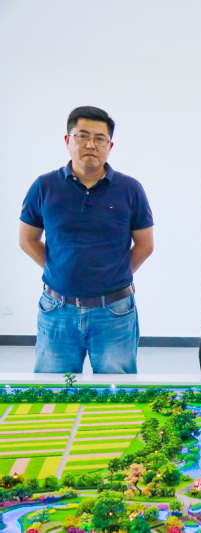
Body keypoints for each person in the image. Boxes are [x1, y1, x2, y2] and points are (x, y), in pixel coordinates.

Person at [19, 106, 154, 374]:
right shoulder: (44, 186)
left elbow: (145, 245)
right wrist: (59, 270)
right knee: (53, 390)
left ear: (109, 146)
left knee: (118, 392)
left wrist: (112, 275)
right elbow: (27, 240)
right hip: (57, 310)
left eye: (100, 138)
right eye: (82, 136)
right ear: (68, 140)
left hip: (115, 311)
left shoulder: (130, 189)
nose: (91, 144)